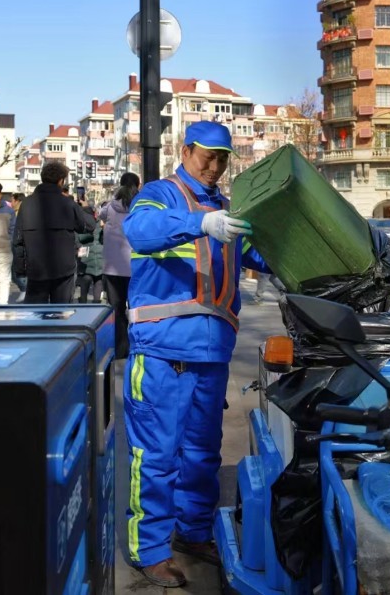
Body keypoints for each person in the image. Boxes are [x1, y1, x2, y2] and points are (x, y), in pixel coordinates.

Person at [122, 122, 269, 588]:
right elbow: (139, 231)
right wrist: (200, 222)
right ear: (185, 151)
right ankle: (149, 550)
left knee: (202, 454)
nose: (214, 165)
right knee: (157, 455)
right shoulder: (160, 195)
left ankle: (193, 532)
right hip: (161, 352)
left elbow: (262, 255)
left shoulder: (226, 211)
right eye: (207, 155)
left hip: (211, 354)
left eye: (223, 157)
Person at [15, 160, 94, 303]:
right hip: (64, 269)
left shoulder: (26, 204)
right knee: (61, 314)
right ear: (61, 181)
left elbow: (18, 240)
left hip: (36, 269)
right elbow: (89, 226)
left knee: (35, 314)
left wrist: (20, 269)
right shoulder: (68, 203)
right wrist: (85, 207)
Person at [102, 172, 140, 358]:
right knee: (137, 308)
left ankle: (120, 348)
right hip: (136, 266)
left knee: (116, 309)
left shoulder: (109, 207)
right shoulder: (140, 206)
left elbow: (99, 216)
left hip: (112, 267)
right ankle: (137, 346)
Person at [76, 204, 106, 304]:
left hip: (86, 261)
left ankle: (83, 305)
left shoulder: (80, 225)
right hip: (99, 260)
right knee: (98, 283)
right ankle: (95, 307)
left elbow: (76, 241)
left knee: (86, 284)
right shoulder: (100, 224)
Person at [10, 193, 28, 303]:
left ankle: (24, 290)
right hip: (15, 242)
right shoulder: (13, 213)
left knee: (19, 268)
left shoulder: (24, 212)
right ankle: (24, 289)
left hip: (22, 243)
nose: (11, 203)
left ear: (17, 201)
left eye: (12, 200)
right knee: (16, 269)